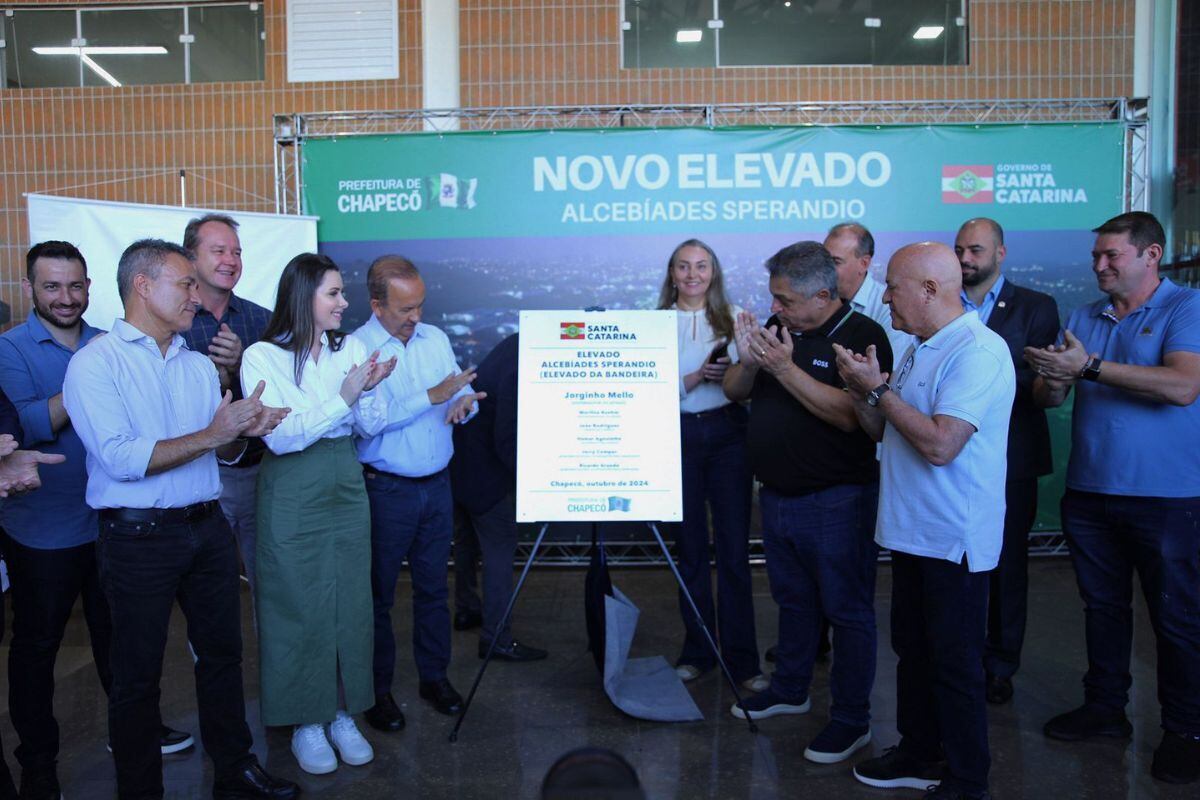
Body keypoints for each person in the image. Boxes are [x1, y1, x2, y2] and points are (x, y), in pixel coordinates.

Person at [62, 239, 296, 800]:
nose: (197, 295)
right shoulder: (94, 364)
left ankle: (235, 771)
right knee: (136, 675)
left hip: (207, 529)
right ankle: (140, 790)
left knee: (223, 656)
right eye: (185, 283)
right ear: (143, 286)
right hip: (136, 537)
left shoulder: (195, 365)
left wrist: (242, 433)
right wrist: (216, 433)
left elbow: (219, 453)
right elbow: (122, 459)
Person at [0, 241, 192, 799]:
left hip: (114, 523)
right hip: (44, 529)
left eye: (76, 285)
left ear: (90, 286)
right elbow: (26, 424)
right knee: (37, 648)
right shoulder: (12, 349)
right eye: (51, 286)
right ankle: (39, 763)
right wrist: (90, 381)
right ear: (30, 289)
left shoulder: (112, 342)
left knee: (122, 640)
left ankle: (133, 734)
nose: (66, 297)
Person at [1024, 211, 1200, 786]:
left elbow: (1183, 386)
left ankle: (1186, 731)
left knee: (1175, 618)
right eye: (1096, 256)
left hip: (1168, 497)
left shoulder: (1186, 307)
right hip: (1090, 492)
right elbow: (1050, 399)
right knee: (1102, 611)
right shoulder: (1084, 316)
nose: (1099, 265)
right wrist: (1055, 377)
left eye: (1111, 256)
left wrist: (1090, 367)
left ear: (1151, 255)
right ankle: (1105, 710)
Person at [837, 242, 1014, 800]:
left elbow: (941, 445)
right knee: (913, 651)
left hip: (952, 538)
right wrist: (863, 393)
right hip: (911, 532)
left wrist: (878, 391)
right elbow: (885, 430)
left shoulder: (978, 351)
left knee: (954, 664)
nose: (885, 297)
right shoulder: (918, 347)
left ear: (930, 290)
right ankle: (919, 752)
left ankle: (967, 779)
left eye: (893, 287)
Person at [722, 241, 892, 764]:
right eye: (774, 297)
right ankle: (791, 688)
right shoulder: (781, 329)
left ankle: (851, 719)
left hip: (838, 500)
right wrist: (750, 362)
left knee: (847, 612)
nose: (776, 308)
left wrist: (784, 369)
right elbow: (734, 391)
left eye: (786, 300)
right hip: (777, 496)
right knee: (793, 602)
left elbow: (852, 417)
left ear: (823, 294)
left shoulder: (862, 336)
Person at [240, 252, 395, 775]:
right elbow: (282, 437)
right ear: (303, 296)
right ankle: (307, 719)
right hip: (291, 486)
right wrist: (343, 396)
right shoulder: (262, 356)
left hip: (345, 479)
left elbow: (371, 426)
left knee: (351, 599)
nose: (344, 302)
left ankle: (343, 712)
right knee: (295, 602)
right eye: (333, 293)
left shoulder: (351, 348)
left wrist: (367, 390)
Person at [352, 255, 482, 728]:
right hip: (386, 491)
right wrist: (431, 396)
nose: (416, 317)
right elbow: (368, 424)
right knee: (378, 598)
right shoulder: (357, 349)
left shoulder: (435, 339)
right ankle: (376, 692)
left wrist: (463, 404)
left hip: (438, 485)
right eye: (405, 309)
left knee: (433, 590)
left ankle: (434, 677)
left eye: (420, 305)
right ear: (377, 305)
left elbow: (455, 392)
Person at [953, 218, 1059, 705]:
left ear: (1001, 253)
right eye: (959, 249)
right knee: (955, 565)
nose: (965, 258)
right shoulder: (942, 301)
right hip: (949, 456)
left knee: (1006, 565)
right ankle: (959, 656)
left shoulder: (1036, 307)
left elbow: (1035, 381)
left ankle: (999, 665)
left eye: (975, 249)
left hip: (1012, 459)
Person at [654, 239, 762, 690]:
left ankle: (744, 661)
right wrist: (697, 377)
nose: (693, 275)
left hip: (728, 435)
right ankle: (698, 651)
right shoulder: (654, 323)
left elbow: (750, 384)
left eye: (701, 266)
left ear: (713, 272)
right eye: (684, 267)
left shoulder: (735, 317)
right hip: (675, 436)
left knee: (734, 551)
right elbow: (645, 388)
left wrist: (734, 373)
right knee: (691, 550)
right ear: (672, 274)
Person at [181, 214, 272, 591]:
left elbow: (282, 399)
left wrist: (241, 366)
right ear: (190, 257)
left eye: (237, 252)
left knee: (268, 579)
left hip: (258, 470)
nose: (230, 260)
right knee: (207, 589)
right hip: (196, 473)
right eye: (219, 251)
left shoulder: (262, 320)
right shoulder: (174, 322)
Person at [448, 333, 549, 663]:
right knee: (500, 546)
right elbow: (506, 435)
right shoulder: (525, 359)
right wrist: (537, 480)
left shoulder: (518, 343)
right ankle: (497, 638)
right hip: (484, 469)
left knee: (467, 539)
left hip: (460, 457)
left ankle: (467, 609)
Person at [825, 222, 912, 360]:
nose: (825, 269)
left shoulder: (888, 307)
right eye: (823, 260)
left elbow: (893, 367)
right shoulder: (815, 299)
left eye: (836, 261)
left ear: (864, 263)